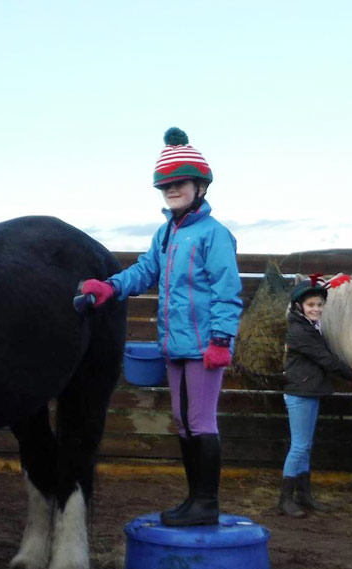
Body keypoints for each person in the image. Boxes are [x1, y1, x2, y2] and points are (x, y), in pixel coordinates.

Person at [77, 128, 243, 526]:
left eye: (179, 183)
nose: (171, 189)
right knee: (184, 423)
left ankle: (207, 503)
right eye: (165, 185)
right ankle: (193, 500)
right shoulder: (166, 233)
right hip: (174, 345)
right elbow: (145, 271)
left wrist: (222, 339)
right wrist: (111, 287)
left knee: (201, 422)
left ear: (199, 186)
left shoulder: (214, 235)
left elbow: (228, 290)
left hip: (205, 347)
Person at [278, 277, 352, 518]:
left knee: (306, 446)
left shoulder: (310, 327)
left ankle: (304, 495)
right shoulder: (299, 331)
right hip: (300, 393)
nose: (316, 309)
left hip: (309, 390)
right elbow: (325, 359)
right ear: (299, 306)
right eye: (311, 305)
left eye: (320, 305)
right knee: (299, 446)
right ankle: (285, 500)